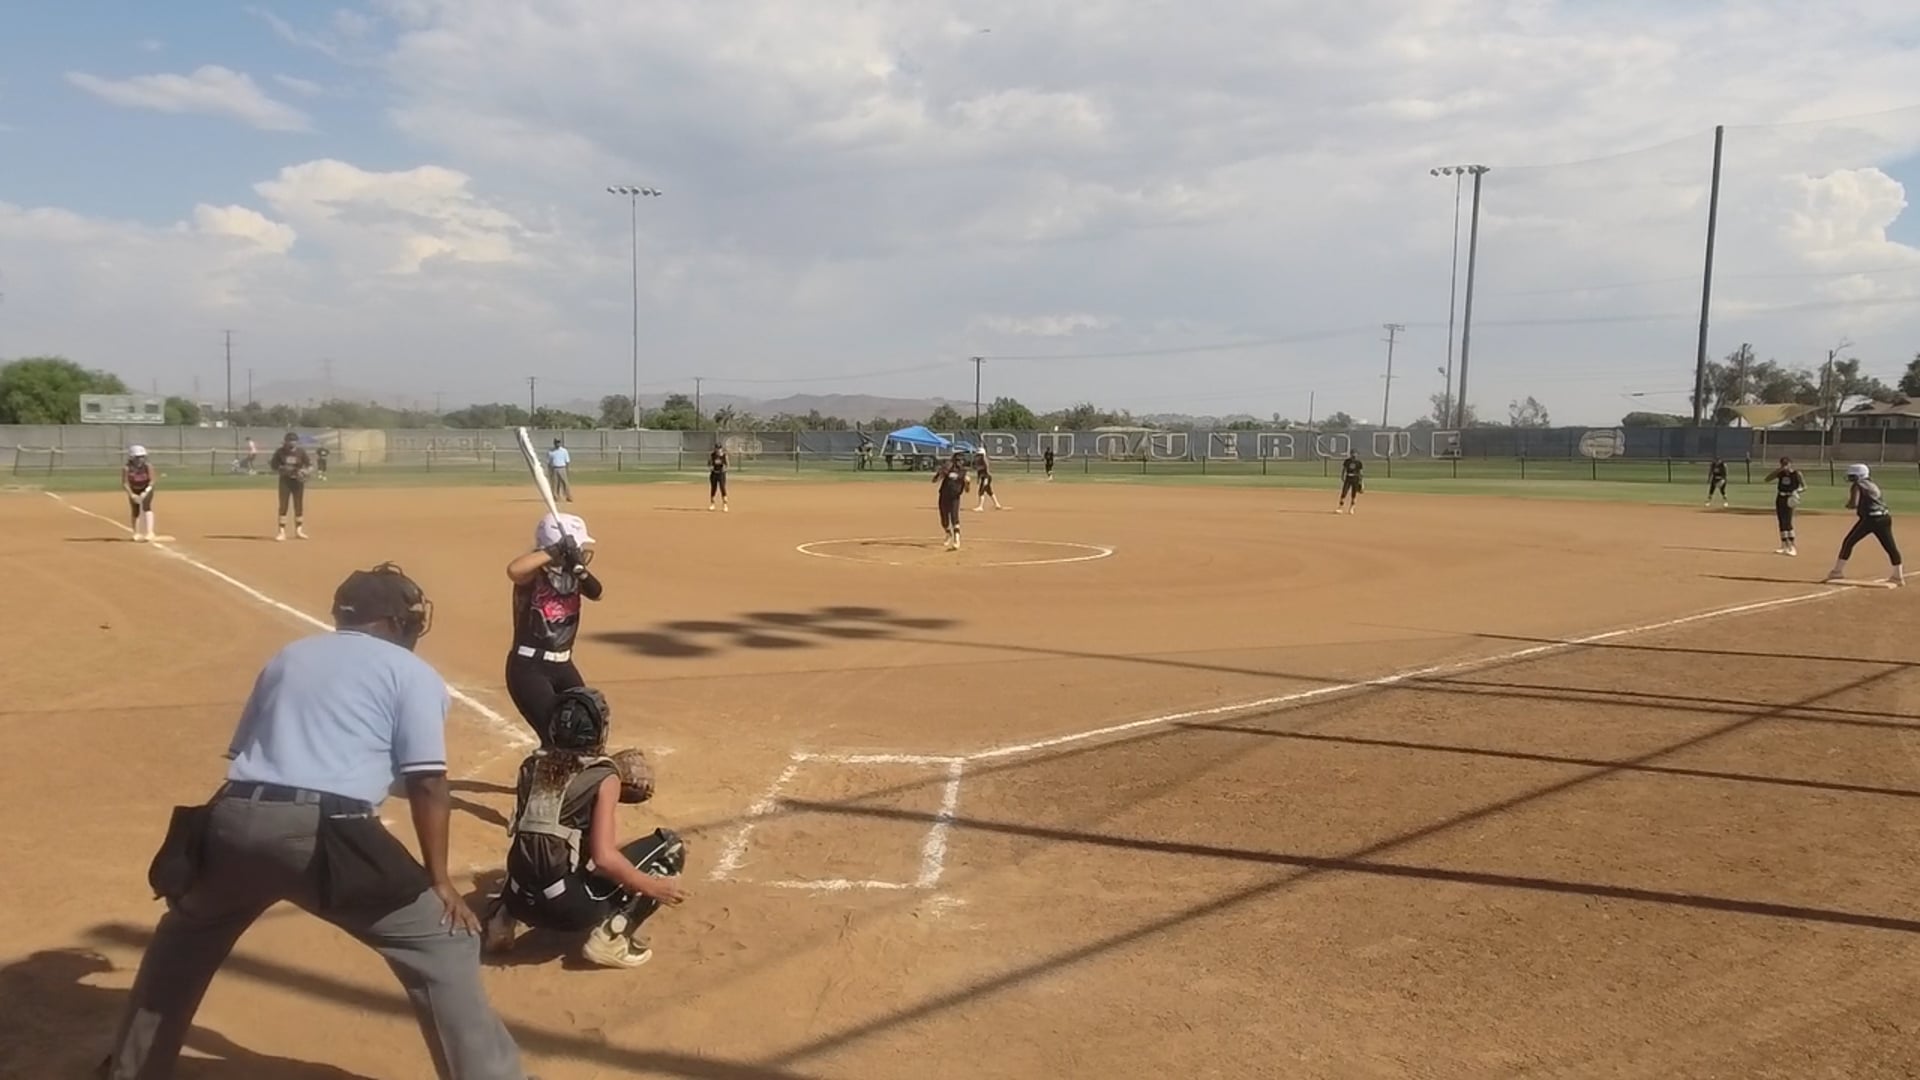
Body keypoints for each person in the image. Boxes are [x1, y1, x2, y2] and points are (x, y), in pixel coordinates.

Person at [98, 563, 528, 1080]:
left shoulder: (289, 657)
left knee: (185, 937)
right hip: (327, 836)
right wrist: (439, 881)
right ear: (399, 622)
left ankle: (130, 1070)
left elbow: (257, 753)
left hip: (233, 821)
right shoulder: (409, 672)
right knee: (444, 941)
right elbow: (428, 783)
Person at [483, 688, 687, 969]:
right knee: (670, 845)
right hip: (565, 910)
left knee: (533, 851)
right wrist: (652, 887)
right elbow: (603, 857)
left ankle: (501, 918)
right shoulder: (603, 776)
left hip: (518, 898)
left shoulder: (530, 767)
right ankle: (612, 939)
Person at [505, 511, 601, 746]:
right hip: (529, 668)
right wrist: (553, 552)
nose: (580, 551)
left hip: (563, 665)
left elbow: (597, 592)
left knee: (585, 723)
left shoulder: (572, 572)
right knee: (557, 734)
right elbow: (514, 570)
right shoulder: (532, 574)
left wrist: (580, 569)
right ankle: (544, 768)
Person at [1825, 463, 1904, 586]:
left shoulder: (1857, 485)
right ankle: (1898, 576)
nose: (1851, 478)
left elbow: (1854, 504)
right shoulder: (1872, 484)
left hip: (1870, 519)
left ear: (1859, 476)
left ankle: (1837, 572)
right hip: (1884, 518)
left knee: (1849, 542)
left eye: (1853, 476)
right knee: (1890, 547)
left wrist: (1848, 504)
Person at [269, 433, 312, 541]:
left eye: (294, 440)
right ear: (286, 441)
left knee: (298, 505)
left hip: (297, 482)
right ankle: (282, 531)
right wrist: (282, 469)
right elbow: (273, 465)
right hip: (285, 481)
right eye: (289, 440)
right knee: (283, 505)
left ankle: (299, 530)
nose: (292, 442)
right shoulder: (280, 452)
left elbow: (310, 465)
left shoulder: (301, 452)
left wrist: (305, 471)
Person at [1762, 456, 1806, 556]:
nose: (1784, 466)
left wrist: (1796, 491)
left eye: (1786, 464)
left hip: (1790, 498)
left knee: (1788, 522)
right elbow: (1767, 479)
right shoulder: (1780, 473)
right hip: (1780, 497)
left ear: (1790, 464)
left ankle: (1792, 546)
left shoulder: (1796, 474)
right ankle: (1784, 545)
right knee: (1781, 521)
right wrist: (1778, 471)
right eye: (1782, 464)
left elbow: (1804, 487)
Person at [934, 449, 969, 551]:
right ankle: (948, 533)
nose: (959, 462)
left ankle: (956, 540)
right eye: (957, 460)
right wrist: (941, 473)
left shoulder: (963, 472)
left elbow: (967, 490)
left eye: (961, 460)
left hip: (955, 497)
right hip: (944, 496)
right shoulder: (948, 469)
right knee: (944, 520)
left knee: (954, 517)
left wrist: (967, 483)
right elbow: (934, 480)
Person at [123, 445, 157, 542]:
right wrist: (131, 494)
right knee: (135, 510)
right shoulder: (127, 468)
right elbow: (125, 483)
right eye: (137, 457)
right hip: (134, 489)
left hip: (146, 488)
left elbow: (152, 481)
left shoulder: (148, 466)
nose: (140, 460)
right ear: (132, 458)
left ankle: (150, 532)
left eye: (142, 457)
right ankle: (136, 533)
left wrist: (146, 491)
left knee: (146, 507)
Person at [708, 441, 729, 511]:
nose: (718, 450)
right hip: (714, 473)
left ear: (721, 449)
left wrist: (725, 468)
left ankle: (725, 505)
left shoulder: (724, 455)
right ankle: (712, 504)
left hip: (721, 474)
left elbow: (727, 464)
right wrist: (710, 467)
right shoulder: (712, 455)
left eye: (719, 448)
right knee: (713, 488)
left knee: (722, 488)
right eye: (716, 448)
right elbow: (709, 463)